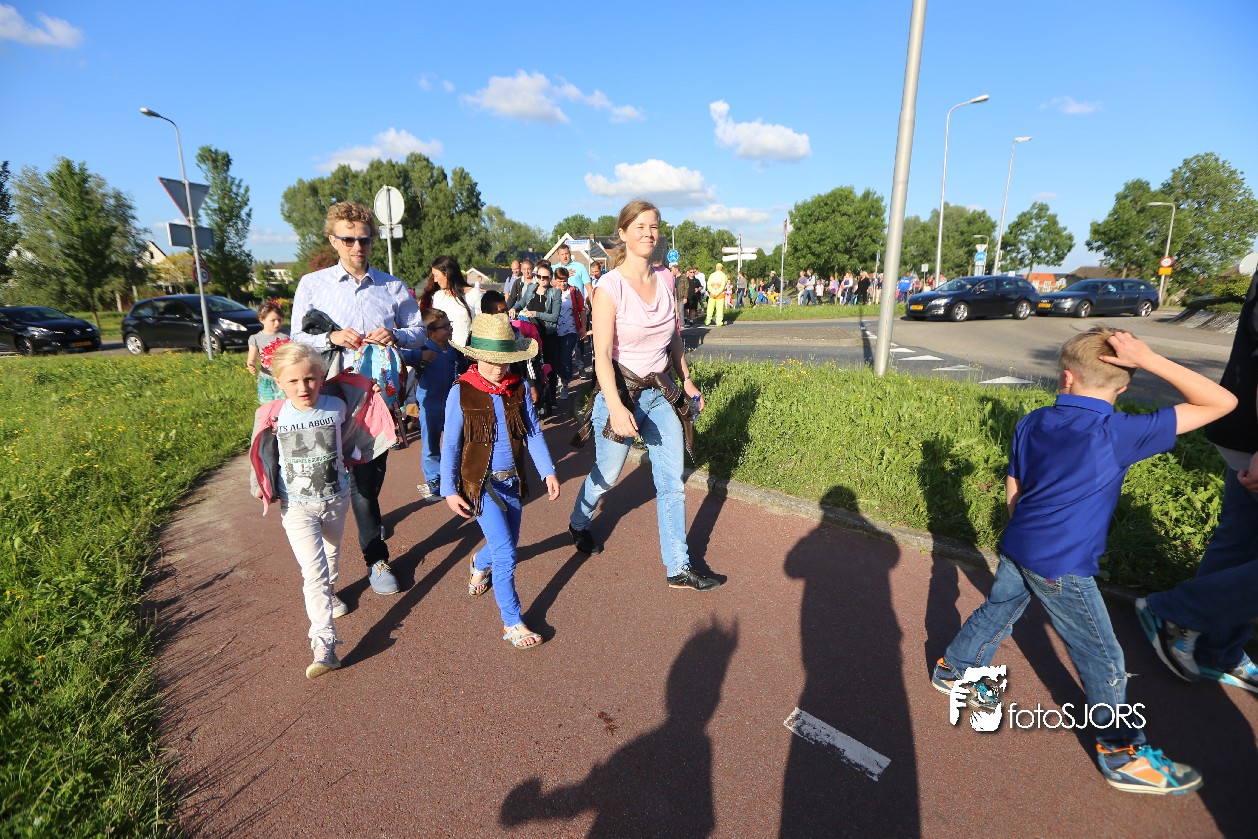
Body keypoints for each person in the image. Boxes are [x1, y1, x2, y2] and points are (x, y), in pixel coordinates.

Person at [931, 325, 1236, 795]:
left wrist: (1025, 534)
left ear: (1067, 377)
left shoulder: (1034, 420)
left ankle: (955, 669)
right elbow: (1222, 402)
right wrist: (1149, 358)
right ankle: (1121, 752)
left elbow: (1015, 486)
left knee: (1000, 609)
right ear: (1124, 386)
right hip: (1063, 564)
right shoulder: (1119, 432)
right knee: (1103, 655)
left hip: (1020, 542)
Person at [567, 199, 716, 592]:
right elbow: (601, 356)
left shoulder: (666, 279)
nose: (649, 234)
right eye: (640, 227)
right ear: (623, 233)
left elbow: (675, 338)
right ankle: (579, 521)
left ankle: (678, 566)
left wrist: (686, 379)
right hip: (622, 394)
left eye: (654, 226)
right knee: (607, 475)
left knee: (672, 481)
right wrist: (616, 408)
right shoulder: (609, 287)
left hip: (659, 394)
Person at [291, 201, 424, 596]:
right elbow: (296, 338)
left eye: (363, 240)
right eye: (348, 239)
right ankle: (345, 570)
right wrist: (330, 337)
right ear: (333, 240)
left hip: (376, 400)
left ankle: (372, 545)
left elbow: (418, 331)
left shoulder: (392, 286)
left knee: (368, 483)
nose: (357, 247)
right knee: (324, 485)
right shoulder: (312, 285)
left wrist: (395, 335)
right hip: (325, 396)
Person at [1136, 264, 1258, 693]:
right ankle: (1179, 612)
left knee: (1240, 545)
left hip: (1246, 436)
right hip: (1252, 440)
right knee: (1241, 544)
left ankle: (1214, 647)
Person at [248, 341, 396, 678]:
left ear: (321, 377)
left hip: (335, 499)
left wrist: (370, 390)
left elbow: (359, 415)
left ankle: (330, 595)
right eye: (293, 381)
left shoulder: (337, 405)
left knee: (330, 557)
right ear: (278, 382)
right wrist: (261, 487)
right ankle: (324, 642)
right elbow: (259, 452)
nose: (303, 387)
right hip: (296, 507)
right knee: (313, 573)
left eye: (310, 379)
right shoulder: (272, 414)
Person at [442, 313, 560, 650]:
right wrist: (449, 489)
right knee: (507, 553)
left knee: (504, 545)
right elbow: (451, 444)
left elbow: (533, 433)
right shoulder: (461, 391)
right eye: (492, 360)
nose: (499, 368)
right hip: (480, 485)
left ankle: (478, 563)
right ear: (477, 356)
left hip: (513, 483)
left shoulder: (517, 388)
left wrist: (548, 471)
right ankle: (512, 622)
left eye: (505, 360)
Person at [408, 308, 459, 501]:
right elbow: (400, 356)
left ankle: (452, 473)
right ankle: (434, 478)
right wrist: (420, 357)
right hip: (430, 406)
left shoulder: (453, 349)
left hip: (452, 405)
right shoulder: (422, 350)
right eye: (444, 327)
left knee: (455, 441)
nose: (449, 329)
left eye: (449, 325)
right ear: (431, 333)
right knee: (431, 443)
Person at [419, 255, 483, 352]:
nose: (435, 280)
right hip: (443, 354)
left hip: (467, 353)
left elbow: (481, 326)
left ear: (447, 274)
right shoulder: (438, 296)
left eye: (436, 276)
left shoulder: (474, 294)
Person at [552, 268, 586, 401]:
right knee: (557, 358)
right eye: (560, 281)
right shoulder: (551, 291)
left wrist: (583, 327)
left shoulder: (574, 291)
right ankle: (560, 377)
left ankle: (565, 384)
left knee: (566, 356)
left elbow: (582, 310)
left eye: (565, 281)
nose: (562, 284)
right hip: (554, 331)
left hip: (570, 330)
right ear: (555, 280)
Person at [246, 300, 289, 404]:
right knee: (267, 405)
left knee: (284, 404)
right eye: (273, 320)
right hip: (266, 379)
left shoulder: (286, 335)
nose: (277, 323)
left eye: (279, 319)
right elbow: (251, 359)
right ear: (262, 320)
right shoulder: (256, 338)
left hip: (285, 377)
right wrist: (251, 365)